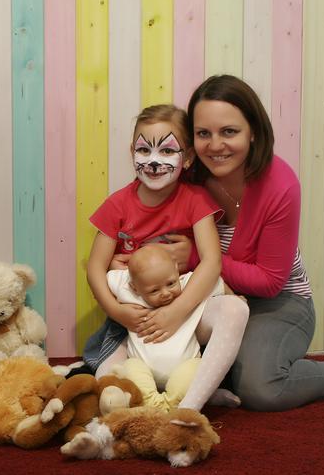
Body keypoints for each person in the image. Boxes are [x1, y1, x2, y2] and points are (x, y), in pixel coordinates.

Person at [160, 74, 324, 411]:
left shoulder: (279, 185)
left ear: (253, 132)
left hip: (278, 302)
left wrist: (199, 257)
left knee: (260, 387)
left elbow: (269, 282)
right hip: (208, 296)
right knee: (158, 359)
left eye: (229, 131)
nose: (215, 145)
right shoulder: (185, 175)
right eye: (203, 134)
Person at [83, 104, 249, 412]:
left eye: (167, 151)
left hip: (186, 312)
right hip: (135, 322)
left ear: (187, 158)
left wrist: (175, 313)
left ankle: (190, 405)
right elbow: (95, 267)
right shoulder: (117, 204)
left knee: (235, 309)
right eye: (144, 150)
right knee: (106, 383)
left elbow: (212, 262)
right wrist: (117, 312)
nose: (154, 161)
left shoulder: (195, 199)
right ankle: (174, 396)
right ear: (132, 151)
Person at [107, 244, 227, 410]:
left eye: (170, 283)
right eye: (154, 290)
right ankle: (158, 404)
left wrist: (236, 296)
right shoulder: (130, 292)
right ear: (135, 287)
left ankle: (165, 405)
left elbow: (216, 281)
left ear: (177, 270)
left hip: (184, 367)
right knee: (129, 367)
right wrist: (115, 306)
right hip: (144, 370)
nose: (165, 293)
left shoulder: (188, 286)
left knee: (198, 368)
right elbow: (105, 278)